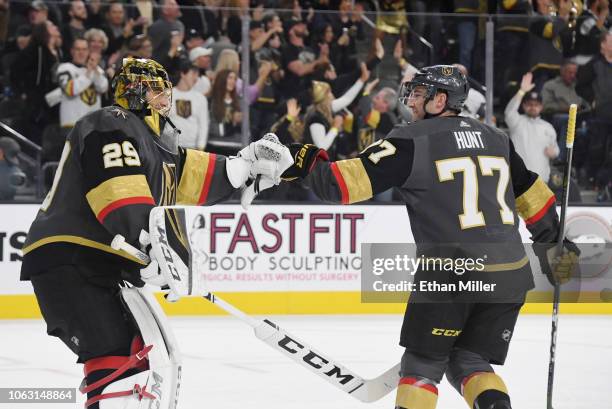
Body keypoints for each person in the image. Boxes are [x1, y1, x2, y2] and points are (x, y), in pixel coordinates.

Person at [280, 65, 578, 409]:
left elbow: (339, 185)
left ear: (441, 100)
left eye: (419, 95)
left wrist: (298, 159)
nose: (411, 102)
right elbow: (532, 194)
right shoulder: (496, 138)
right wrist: (554, 242)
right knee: (469, 361)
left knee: (423, 366)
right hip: (509, 274)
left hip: (451, 273)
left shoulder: (411, 140)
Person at [20, 57, 289, 409]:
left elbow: (197, 176)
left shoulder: (156, 145)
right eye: (157, 91)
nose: (165, 99)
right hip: (71, 257)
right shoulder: (110, 123)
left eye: (166, 92)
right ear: (135, 92)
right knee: (120, 358)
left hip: (98, 264)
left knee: (139, 357)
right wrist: (150, 244)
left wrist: (247, 163)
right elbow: (120, 193)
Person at [505, 72, 559, 183]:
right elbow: (509, 111)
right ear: (524, 106)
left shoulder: (548, 127)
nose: (533, 107)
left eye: (536, 105)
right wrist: (522, 91)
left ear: (541, 107)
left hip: (541, 180)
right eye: (529, 104)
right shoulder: (516, 121)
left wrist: (554, 153)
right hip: (519, 179)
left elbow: (556, 149)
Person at [169, 60, 209, 150]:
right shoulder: (168, 95)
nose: (196, 78)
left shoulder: (200, 98)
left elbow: (203, 125)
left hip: (192, 148)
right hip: (170, 147)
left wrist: (201, 147)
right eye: (193, 73)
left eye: (197, 75)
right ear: (183, 74)